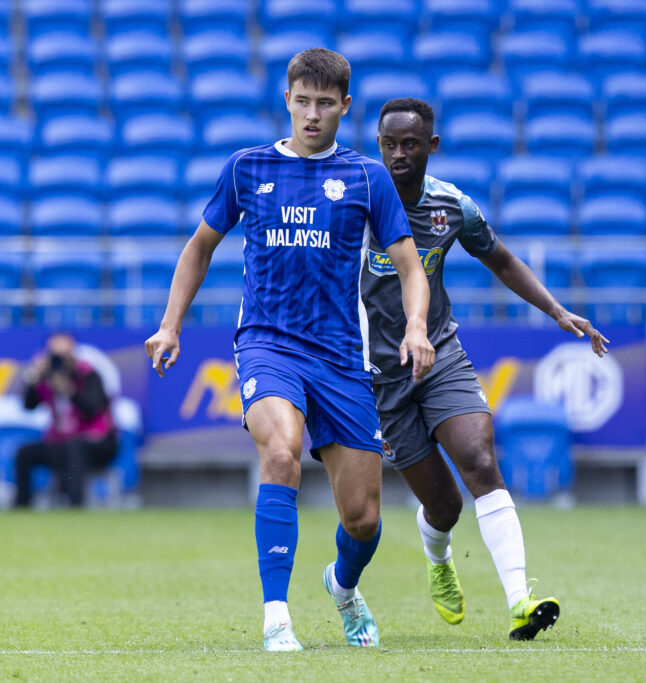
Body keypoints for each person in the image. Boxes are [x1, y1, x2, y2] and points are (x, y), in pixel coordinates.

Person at [144, 49, 435, 652]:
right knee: (281, 451)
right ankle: (277, 616)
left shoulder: (365, 177)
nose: (312, 114)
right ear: (287, 101)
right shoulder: (247, 168)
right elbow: (199, 247)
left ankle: (343, 586)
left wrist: (415, 327)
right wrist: (171, 325)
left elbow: (410, 265)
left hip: (340, 357)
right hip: (267, 345)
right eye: (302, 101)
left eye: (325, 104)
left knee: (363, 519)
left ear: (344, 108)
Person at [363, 97, 611, 640]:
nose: (399, 154)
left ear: (432, 146)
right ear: (377, 145)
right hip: (378, 375)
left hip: (440, 352)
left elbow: (499, 257)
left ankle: (520, 600)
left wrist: (557, 310)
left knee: (479, 459)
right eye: (389, 143)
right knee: (444, 505)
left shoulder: (451, 206)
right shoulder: (355, 205)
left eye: (410, 144)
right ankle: (439, 558)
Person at [13, 333, 117, 508]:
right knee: (25, 452)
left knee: (74, 447)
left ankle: (75, 506)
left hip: (98, 441)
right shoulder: (46, 378)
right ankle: (22, 506)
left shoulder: (88, 375)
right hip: (62, 442)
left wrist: (69, 390)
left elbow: (92, 408)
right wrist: (34, 376)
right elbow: (28, 405)